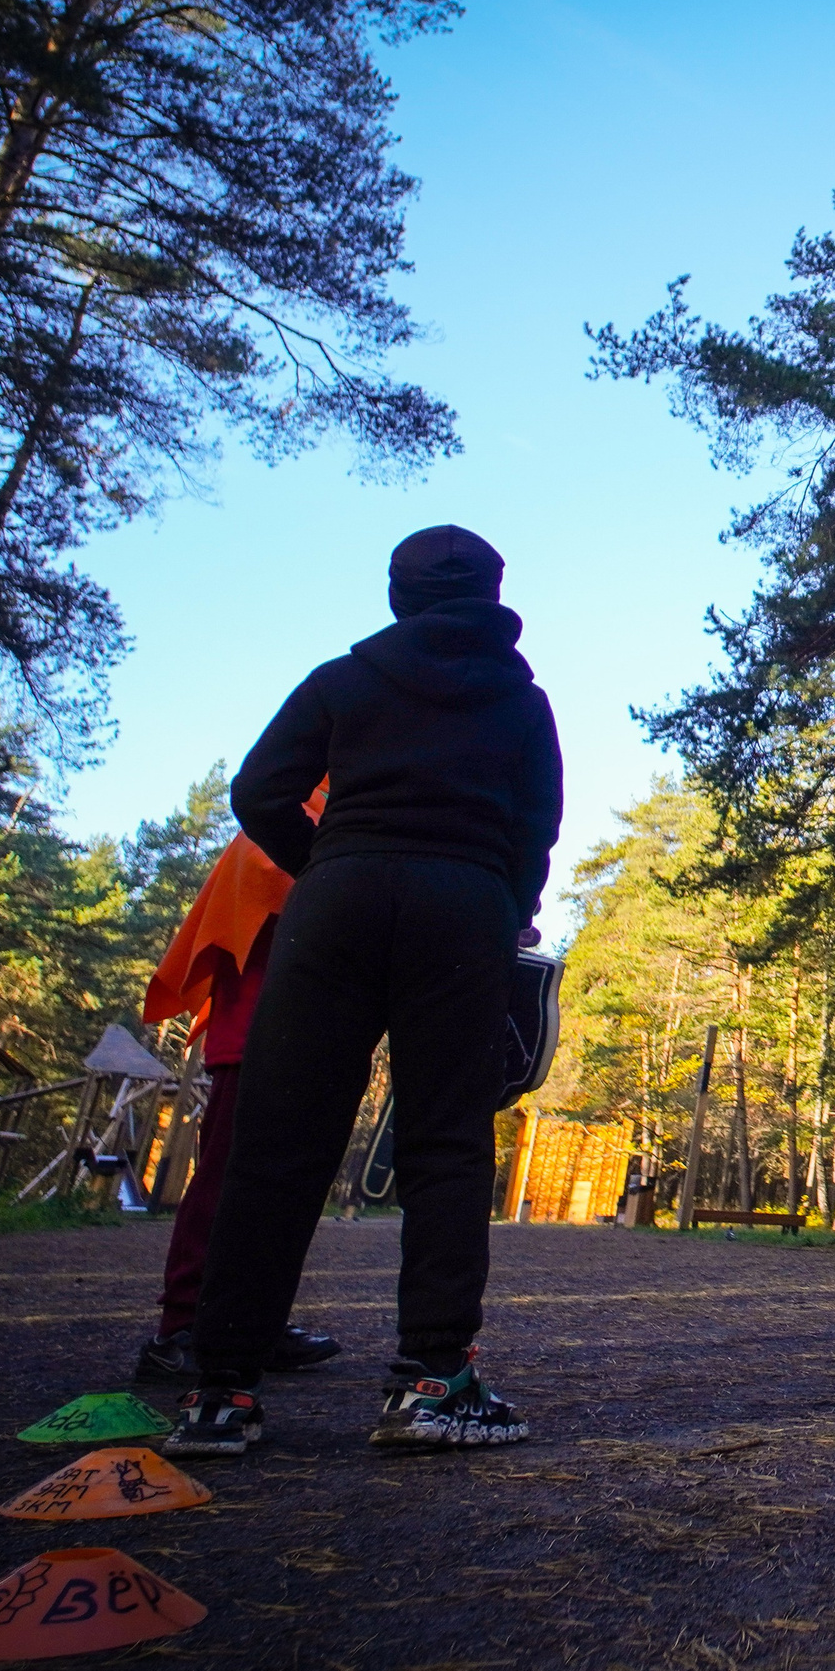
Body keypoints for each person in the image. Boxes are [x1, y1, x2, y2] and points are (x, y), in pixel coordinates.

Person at [164, 525, 564, 1458]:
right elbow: (537, 828)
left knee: (279, 1140)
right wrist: (505, 905)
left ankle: (221, 1392)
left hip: (337, 902)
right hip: (463, 907)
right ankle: (432, 1383)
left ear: (398, 595)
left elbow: (261, 789)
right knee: (447, 1145)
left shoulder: (343, 680)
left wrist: (326, 865)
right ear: (496, 594)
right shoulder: (523, 704)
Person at [134, 803, 344, 1381]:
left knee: (287, 1187)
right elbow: (266, 877)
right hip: (256, 1028)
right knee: (229, 1178)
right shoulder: (303, 798)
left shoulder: (354, 799)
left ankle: (251, 1322)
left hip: (312, 1031)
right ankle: (180, 1326)